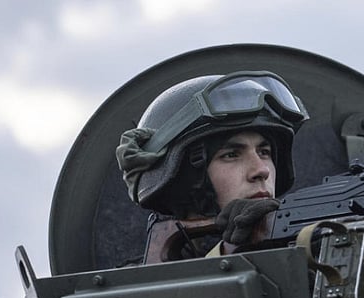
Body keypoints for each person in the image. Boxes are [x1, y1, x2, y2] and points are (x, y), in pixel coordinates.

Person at [115, 71, 308, 258]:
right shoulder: (137, 278)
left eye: (264, 152)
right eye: (231, 155)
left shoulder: (310, 253)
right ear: (186, 180)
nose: (261, 170)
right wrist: (227, 250)